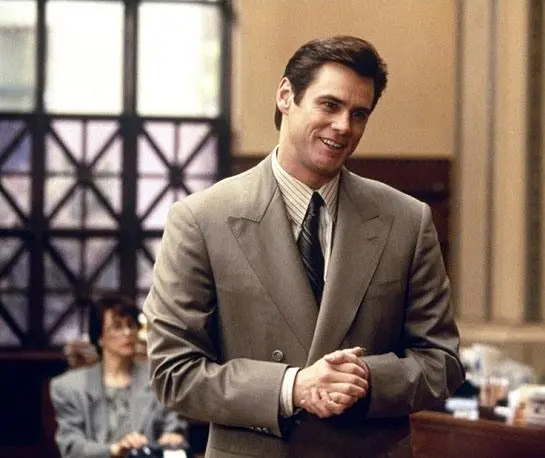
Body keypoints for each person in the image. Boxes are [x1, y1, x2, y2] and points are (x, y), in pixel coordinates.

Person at [143, 35, 465, 458]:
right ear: (285, 96)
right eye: (329, 105)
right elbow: (172, 372)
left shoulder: (407, 220)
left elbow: (443, 362)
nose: (344, 126)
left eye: (359, 114)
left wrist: (364, 380)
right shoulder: (201, 219)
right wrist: (292, 387)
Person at [50, 294, 188, 458]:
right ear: (99, 337)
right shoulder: (68, 386)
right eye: (117, 326)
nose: (127, 332)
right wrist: (113, 450)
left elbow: (173, 427)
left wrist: (173, 438)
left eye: (131, 325)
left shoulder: (157, 378)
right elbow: (71, 446)